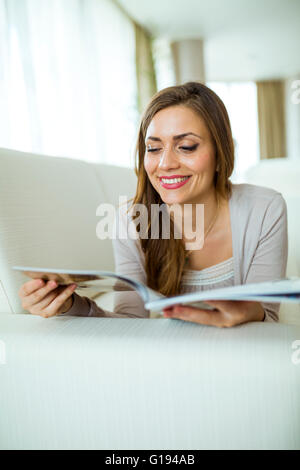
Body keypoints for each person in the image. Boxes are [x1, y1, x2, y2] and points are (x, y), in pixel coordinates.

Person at [18, 82, 288, 327]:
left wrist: (250, 314)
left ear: (220, 154)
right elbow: (130, 321)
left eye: (187, 146)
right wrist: (68, 305)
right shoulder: (132, 223)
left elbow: (268, 316)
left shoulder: (265, 209)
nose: (165, 164)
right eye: (154, 148)